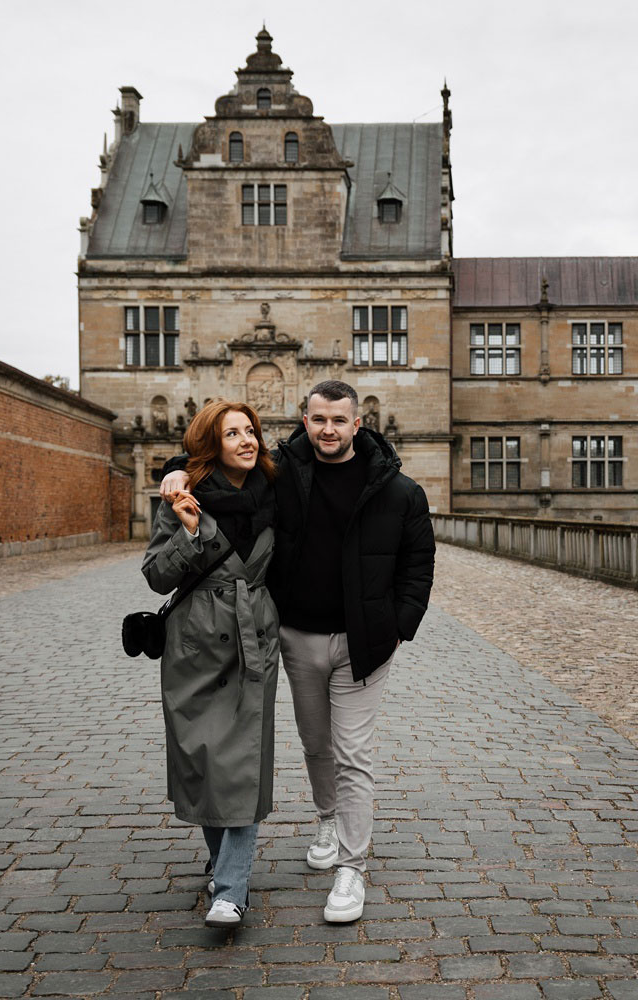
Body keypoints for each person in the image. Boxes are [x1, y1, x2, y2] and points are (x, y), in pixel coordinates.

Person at [161, 379, 434, 924]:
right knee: (315, 744)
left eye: (339, 420)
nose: (328, 429)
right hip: (297, 635)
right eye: (317, 419)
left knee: (353, 753)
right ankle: (327, 819)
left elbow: (418, 561)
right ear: (303, 421)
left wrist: (400, 625)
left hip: (366, 643)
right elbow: (221, 461)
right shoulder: (282, 471)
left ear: (359, 423)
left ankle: (351, 869)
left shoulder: (400, 489)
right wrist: (172, 468)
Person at [142, 400, 280, 930]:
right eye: (233, 434)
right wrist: (191, 534)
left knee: (240, 762)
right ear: (211, 444)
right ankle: (223, 861)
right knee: (203, 759)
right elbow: (156, 575)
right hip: (196, 643)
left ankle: (231, 889)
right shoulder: (182, 496)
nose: (247, 441)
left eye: (252, 431)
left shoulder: (276, 487)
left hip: (254, 638)